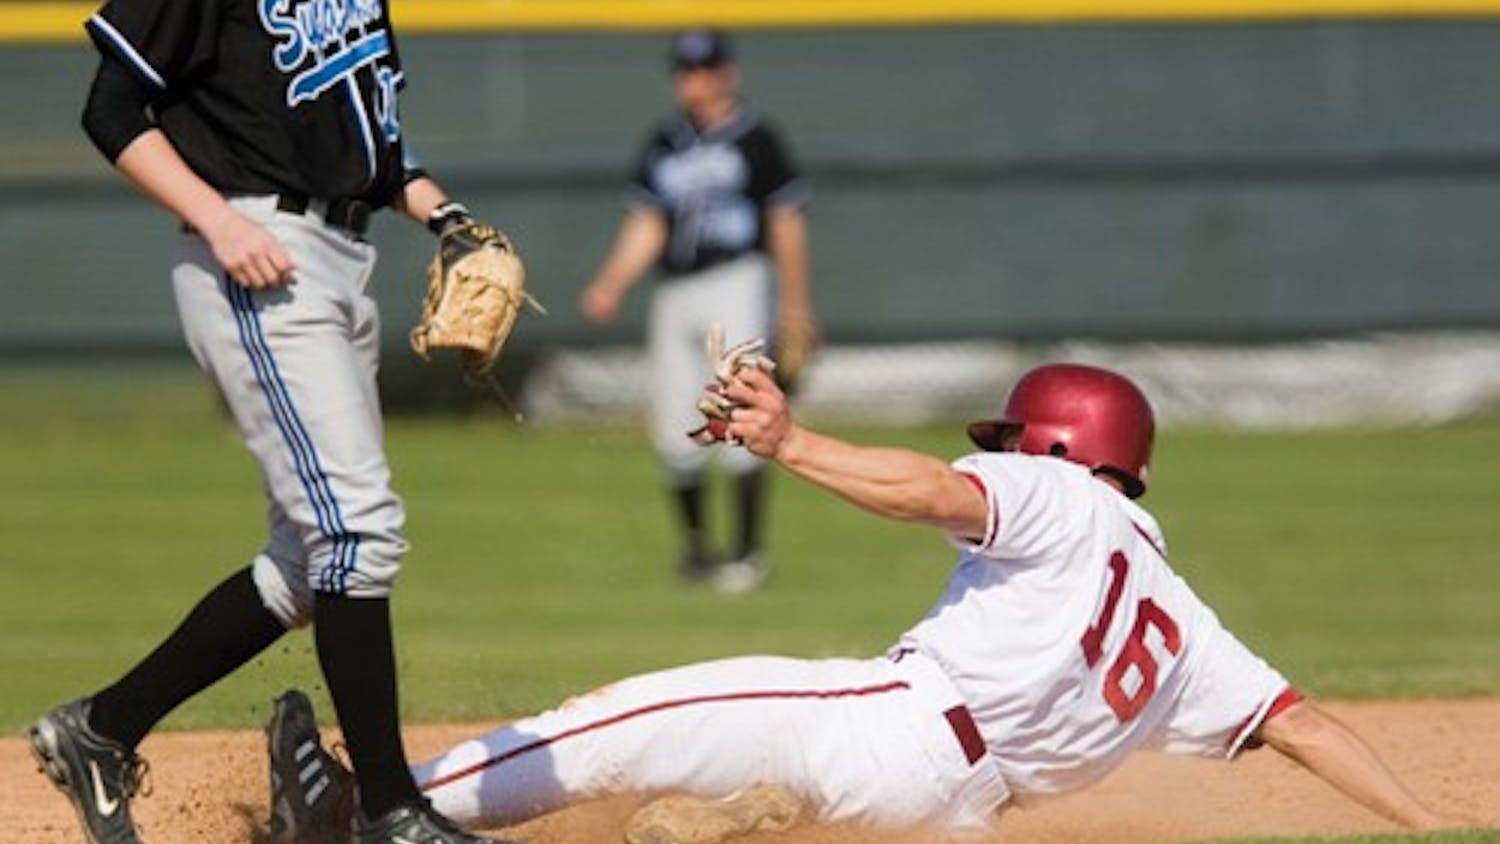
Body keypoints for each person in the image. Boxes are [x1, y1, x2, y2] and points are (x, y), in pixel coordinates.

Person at [268, 363, 1453, 843]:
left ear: (1054, 442)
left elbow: (930, 488)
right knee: (732, 782)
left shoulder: (1055, 493)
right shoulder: (1187, 625)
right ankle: (751, 814)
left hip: (888, 723)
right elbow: (1304, 722)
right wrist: (1433, 831)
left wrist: (786, 441)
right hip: (957, 816)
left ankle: (391, 812)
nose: (1006, 450)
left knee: (626, 722)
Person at [25, 0, 516, 841]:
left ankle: (100, 730)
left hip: (341, 258)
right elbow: (109, 110)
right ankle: (391, 812)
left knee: (307, 557)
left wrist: (450, 220)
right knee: (357, 531)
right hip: (256, 249)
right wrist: (218, 219)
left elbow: (376, 151)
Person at [578, 28, 816, 592]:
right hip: (675, 289)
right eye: (685, 70)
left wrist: (796, 306)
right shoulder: (666, 141)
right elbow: (648, 222)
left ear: (728, 73)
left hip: (737, 278)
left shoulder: (757, 138)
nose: (694, 80)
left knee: (740, 410)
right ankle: (695, 551)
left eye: (705, 69)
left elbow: (786, 223)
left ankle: (747, 553)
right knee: (675, 421)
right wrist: (610, 283)